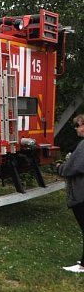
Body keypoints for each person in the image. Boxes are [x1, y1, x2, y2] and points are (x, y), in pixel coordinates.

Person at [57, 114, 84, 273]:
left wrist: (60, 166)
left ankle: (82, 267)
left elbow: (69, 169)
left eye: (78, 126)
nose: (76, 129)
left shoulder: (83, 146)